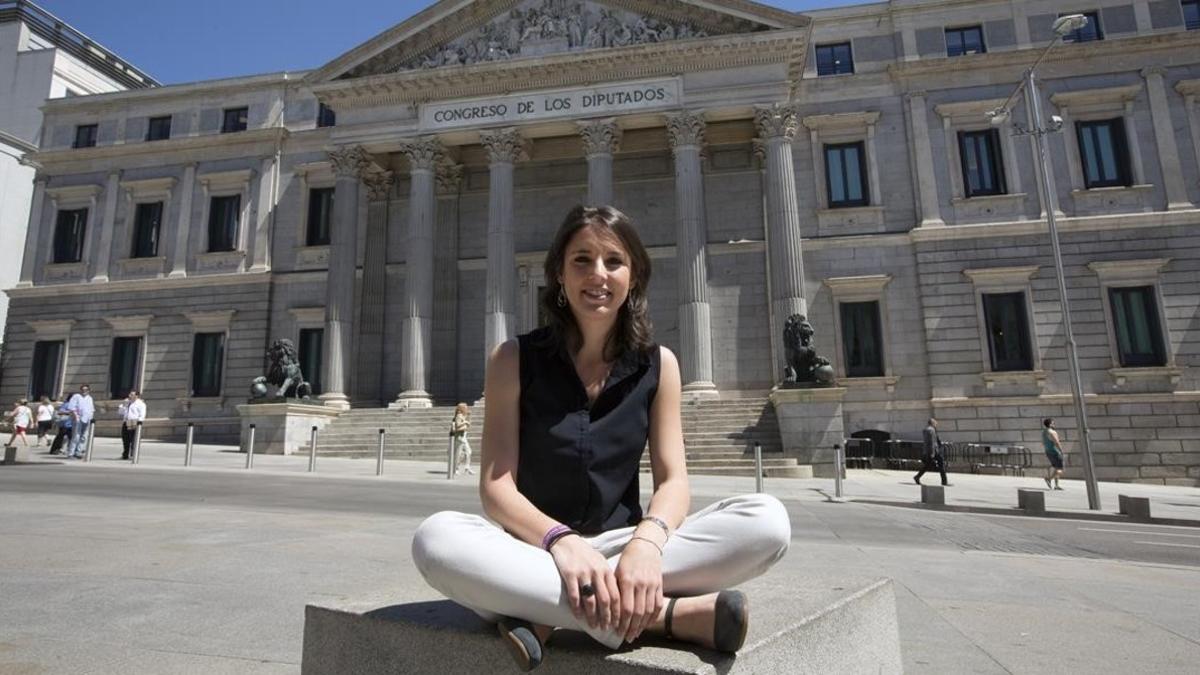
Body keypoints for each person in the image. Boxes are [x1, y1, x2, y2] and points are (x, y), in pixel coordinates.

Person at [412, 206, 790, 671]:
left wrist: (647, 547)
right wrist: (562, 543)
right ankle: (661, 615)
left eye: (614, 261)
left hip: (625, 546)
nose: (598, 274)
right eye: (581, 260)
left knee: (767, 521)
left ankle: (541, 611)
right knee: (436, 539)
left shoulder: (660, 365)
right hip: (538, 550)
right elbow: (497, 487)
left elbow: (673, 483)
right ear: (558, 273)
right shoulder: (512, 358)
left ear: (634, 276)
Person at [914, 417, 949, 486]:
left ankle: (944, 481)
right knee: (933, 465)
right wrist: (932, 453)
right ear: (933, 423)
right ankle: (917, 477)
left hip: (932, 451)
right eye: (935, 423)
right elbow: (931, 442)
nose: (936, 425)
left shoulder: (928, 430)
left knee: (936, 465)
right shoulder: (931, 430)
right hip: (933, 451)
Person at [62, 384, 95, 459]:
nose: (84, 391)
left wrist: (91, 418)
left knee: (84, 436)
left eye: (86, 390)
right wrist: (76, 416)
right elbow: (72, 407)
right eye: (82, 390)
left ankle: (78, 451)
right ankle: (71, 453)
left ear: (89, 391)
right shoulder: (76, 396)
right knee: (76, 436)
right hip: (78, 419)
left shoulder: (90, 398)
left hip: (87, 419)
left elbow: (91, 409)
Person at [118, 390, 147, 460]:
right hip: (126, 421)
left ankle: (133, 454)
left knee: (133, 439)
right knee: (125, 439)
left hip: (134, 422)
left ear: (136, 396)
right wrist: (123, 405)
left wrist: (139, 422)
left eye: (132, 395)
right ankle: (125, 454)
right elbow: (120, 412)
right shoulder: (127, 403)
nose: (130, 396)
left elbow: (142, 414)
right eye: (130, 394)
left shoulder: (140, 404)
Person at [450, 402, 474, 476]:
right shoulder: (459, 416)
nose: (467, 408)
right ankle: (455, 469)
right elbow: (458, 425)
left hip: (463, 436)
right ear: (462, 408)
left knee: (469, 451)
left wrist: (468, 418)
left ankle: (467, 467)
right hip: (459, 436)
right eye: (465, 407)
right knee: (458, 454)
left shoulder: (463, 416)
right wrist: (465, 422)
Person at [1042, 418, 1065, 490]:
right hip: (1055, 452)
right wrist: (1061, 451)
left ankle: (1056, 485)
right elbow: (1057, 442)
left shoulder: (1044, 432)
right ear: (1050, 424)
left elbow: (1043, 442)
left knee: (1056, 468)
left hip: (1048, 451)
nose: (1054, 424)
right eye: (1053, 423)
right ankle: (1049, 479)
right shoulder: (1053, 432)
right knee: (1060, 469)